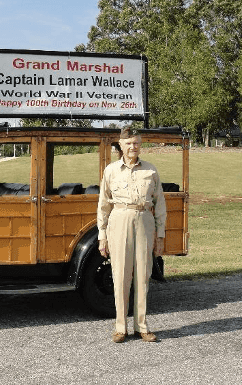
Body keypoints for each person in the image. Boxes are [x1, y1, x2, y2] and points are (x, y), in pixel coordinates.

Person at [97, 125, 166, 343]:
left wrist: (161, 235)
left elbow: (160, 204)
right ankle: (120, 327)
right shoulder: (111, 171)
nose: (132, 147)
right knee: (120, 276)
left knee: (143, 275)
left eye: (136, 143)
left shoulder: (151, 171)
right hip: (119, 220)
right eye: (128, 143)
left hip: (144, 220)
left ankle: (142, 326)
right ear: (121, 144)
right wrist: (102, 235)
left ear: (140, 145)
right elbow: (103, 206)